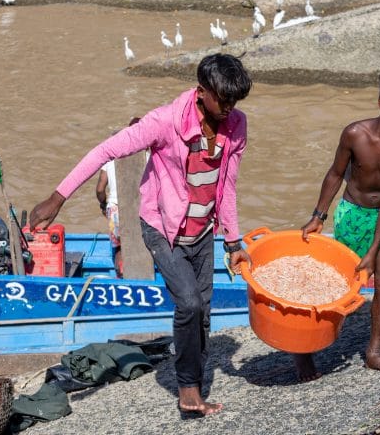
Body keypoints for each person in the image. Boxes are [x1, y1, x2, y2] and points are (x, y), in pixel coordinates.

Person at [29, 53, 253, 417]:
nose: (229, 108)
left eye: (234, 101)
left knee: (204, 315)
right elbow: (106, 149)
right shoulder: (164, 122)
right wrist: (58, 197)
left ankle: (193, 374)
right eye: (223, 100)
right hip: (162, 228)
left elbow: (226, 184)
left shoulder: (236, 125)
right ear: (201, 92)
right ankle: (188, 390)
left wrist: (232, 240)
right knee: (189, 304)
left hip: (202, 229)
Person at [300, 69, 380, 379]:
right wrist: (318, 216)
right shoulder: (354, 134)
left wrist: (373, 250)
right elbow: (334, 174)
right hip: (352, 214)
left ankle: (373, 352)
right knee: (335, 281)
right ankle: (303, 350)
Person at [95, 157, 122, 277]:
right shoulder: (146, 156)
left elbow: (100, 190)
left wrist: (104, 204)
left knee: (118, 247)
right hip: (138, 207)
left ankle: (120, 276)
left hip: (114, 209)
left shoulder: (110, 159)